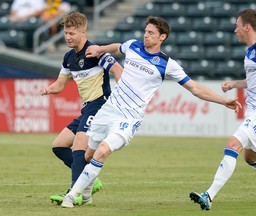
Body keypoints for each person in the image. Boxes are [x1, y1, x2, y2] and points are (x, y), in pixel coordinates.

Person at [60, 15, 242, 208]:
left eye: (151, 33)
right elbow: (117, 46)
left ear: (162, 37)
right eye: (146, 32)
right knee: (88, 155)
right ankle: (87, 193)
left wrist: (223, 101)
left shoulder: (167, 64)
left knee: (103, 151)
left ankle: (72, 196)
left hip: (129, 119)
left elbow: (195, 88)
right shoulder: (133, 46)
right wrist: (100, 49)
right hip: (109, 110)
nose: (146, 36)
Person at [40, 11, 123, 205]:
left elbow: (118, 71)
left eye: (72, 33)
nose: (68, 37)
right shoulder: (68, 57)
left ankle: (74, 193)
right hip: (87, 108)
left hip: (100, 105)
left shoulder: (95, 52)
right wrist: (49, 89)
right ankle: (89, 180)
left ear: (83, 31)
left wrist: (123, 96)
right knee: (59, 146)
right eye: (66, 33)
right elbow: (60, 85)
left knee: (79, 146)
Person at [189, 8, 256, 211]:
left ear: (247, 27)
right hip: (252, 110)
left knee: (233, 144)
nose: (235, 31)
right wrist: (235, 84)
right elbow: (253, 81)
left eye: (237, 26)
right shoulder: (250, 51)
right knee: (250, 157)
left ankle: (209, 195)